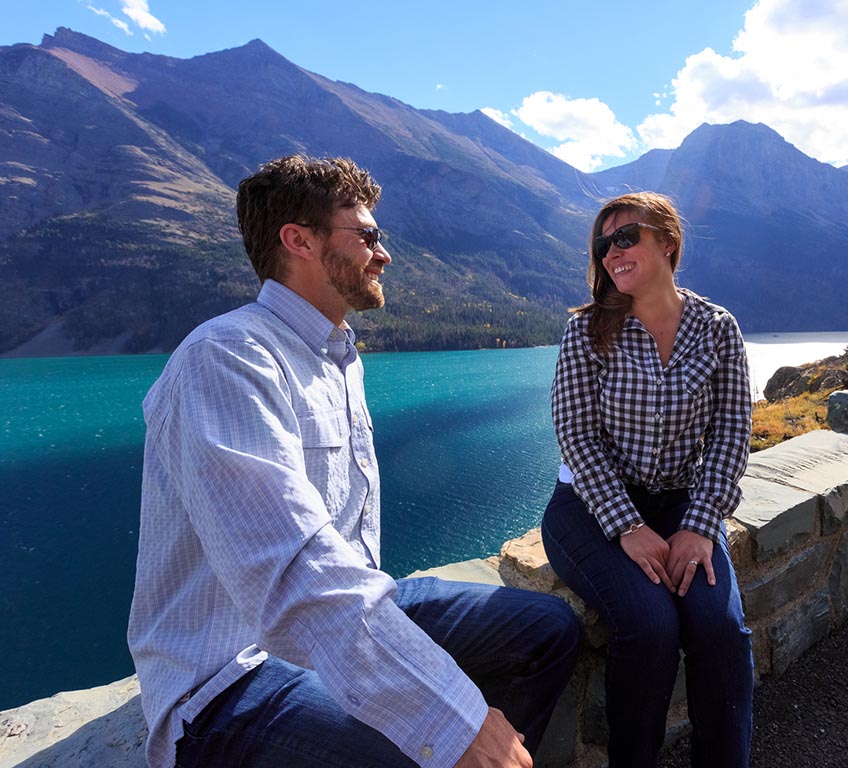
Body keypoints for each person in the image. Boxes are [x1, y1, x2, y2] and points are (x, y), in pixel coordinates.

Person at [128, 155, 580, 768]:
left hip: (356, 606)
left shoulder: (336, 355)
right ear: (299, 241)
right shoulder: (229, 358)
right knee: (418, 747)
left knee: (545, 630)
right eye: (366, 236)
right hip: (233, 670)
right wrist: (456, 722)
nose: (383, 253)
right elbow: (294, 571)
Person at [541, 192, 755, 767]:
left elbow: (733, 432)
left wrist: (700, 525)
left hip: (682, 506)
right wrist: (628, 526)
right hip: (588, 507)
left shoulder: (717, 330)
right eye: (603, 244)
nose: (612, 252)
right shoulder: (587, 332)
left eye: (626, 237)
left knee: (719, 628)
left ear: (668, 241)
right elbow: (577, 438)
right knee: (650, 624)